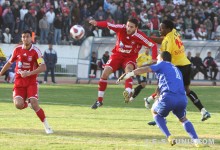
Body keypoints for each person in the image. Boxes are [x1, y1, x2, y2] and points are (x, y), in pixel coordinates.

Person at [117, 51, 202, 147]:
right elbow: (167, 84)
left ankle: (169, 136)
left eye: (157, 58)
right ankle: (197, 141)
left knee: (154, 111)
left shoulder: (162, 64)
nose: (157, 60)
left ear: (162, 58)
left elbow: (146, 69)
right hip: (182, 98)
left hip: (169, 96)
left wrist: (129, 74)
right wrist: (157, 95)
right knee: (183, 119)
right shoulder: (176, 69)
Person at [148, 20, 210, 121]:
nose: (159, 29)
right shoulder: (174, 32)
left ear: (168, 29)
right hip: (186, 64)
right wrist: (150, 38)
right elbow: (162, 39)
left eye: (162, 28)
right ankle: (203, 111)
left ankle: (159, 116)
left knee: (161, 88)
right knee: (187, 90)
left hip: (177, 67)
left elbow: (166, 58)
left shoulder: (168, 41)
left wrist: (158, 67)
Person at [89, 18, 157, 109]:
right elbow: (108, 24)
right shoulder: (121, 28)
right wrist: (97, 23)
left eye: (131, 27)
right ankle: (99, 101)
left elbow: (153, 45)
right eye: (128, 25)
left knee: (128, 70)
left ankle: (128, 92)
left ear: (136, 28)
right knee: (105, 73)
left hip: (130, 58)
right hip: (117, 55)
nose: (128, 28)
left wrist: (154, 58)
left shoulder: (140, 36)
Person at [0, 30, 53, 134]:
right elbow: (9, 63)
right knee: (18, 105)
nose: (25, 39)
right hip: (19, 82)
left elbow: (43, 67)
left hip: (31, 82)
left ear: (31, 38)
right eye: (23, 37)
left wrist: (29, 73)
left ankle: (47, 126)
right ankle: (26, 104)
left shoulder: (36, 51)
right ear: (21, 38)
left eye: (27, 37)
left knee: (35, 104)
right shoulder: (17, 50)